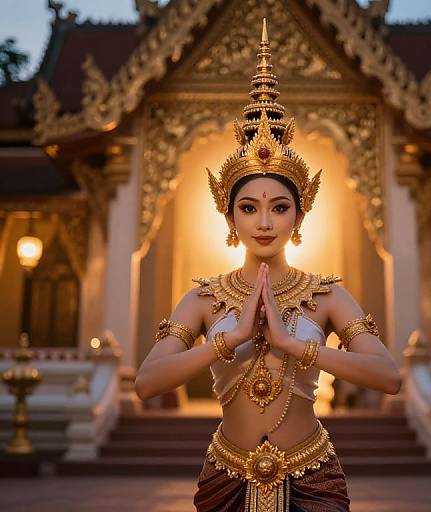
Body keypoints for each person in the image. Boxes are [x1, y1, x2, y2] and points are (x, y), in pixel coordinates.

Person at [135, 19, 401, 512]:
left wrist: (293, 346)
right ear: (230, 216)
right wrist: (228, 340)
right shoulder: (203, 299)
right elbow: (147, 382)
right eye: (249, 207)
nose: (264, 221)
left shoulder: (326, 295)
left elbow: (389, 377)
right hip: (227, 473)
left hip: (312, 473)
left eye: (280, 207)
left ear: (299, 216)